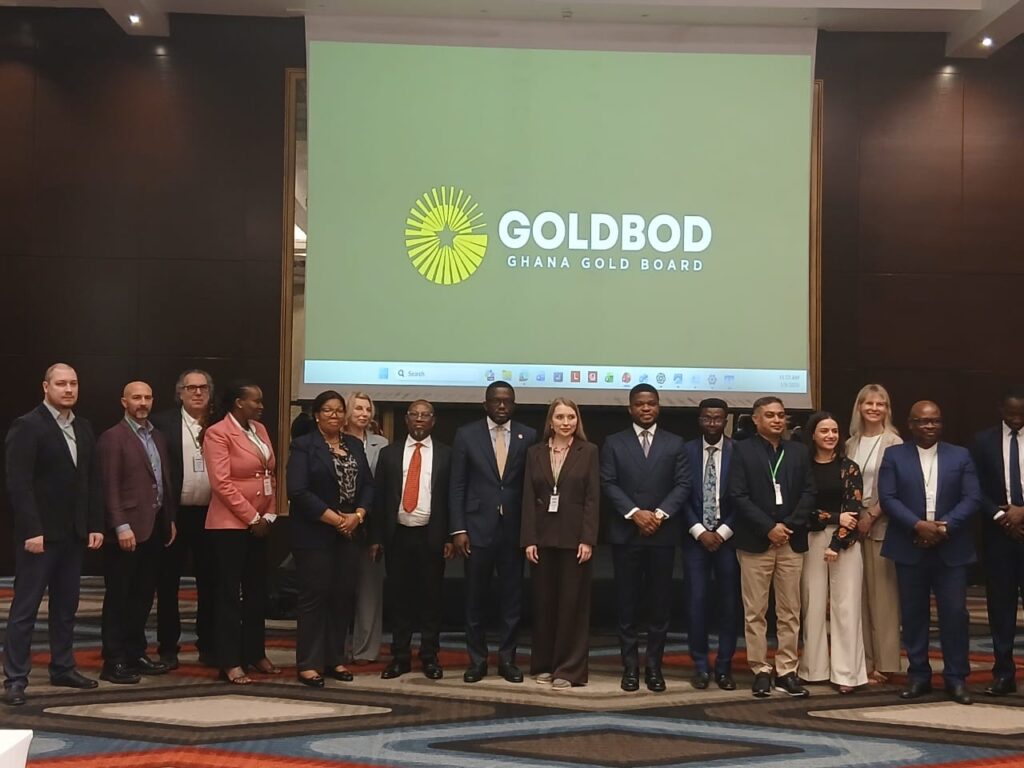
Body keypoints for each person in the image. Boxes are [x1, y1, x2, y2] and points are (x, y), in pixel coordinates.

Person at [3, 364, 104, 706]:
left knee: (66, 607)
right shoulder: (28, 425)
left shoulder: (83, 426)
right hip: (39, 537)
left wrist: (94, 524)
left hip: (73, 535)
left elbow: (90, 480)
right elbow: (19, 484)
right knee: (25, 609)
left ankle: (63, 667)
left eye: (73, 383)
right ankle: (16, 678)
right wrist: (32, 529)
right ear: (46, 387)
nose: (69, 389)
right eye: (61, 383)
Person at [878, 400, 980, 705]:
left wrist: (943, 527)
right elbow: (888, 497)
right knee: (913, 615)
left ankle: (956, 678)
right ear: (911, 424)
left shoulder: (960, 455)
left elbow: (972, 497)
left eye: (935, 421)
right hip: (910, 545)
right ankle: (919, 676)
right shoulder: (894, 455)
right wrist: (918, 526)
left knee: (955, 614)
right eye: (922, 421)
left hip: (952, 548)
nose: (929, 426)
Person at [600, 384, 690, 693]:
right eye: (640, 404)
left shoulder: (675, 443)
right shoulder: (614, 442)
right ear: (630, 409)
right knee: (626, 605)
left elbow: (683, 484)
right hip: (627, 534)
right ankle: (629, 667)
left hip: (662, 535)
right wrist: (635, 513)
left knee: (659, 606)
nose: (646, 408)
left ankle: (654, 667)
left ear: (659, 406)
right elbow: (608, 483)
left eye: (651, 403)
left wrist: (659, 515)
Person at [728, 396, 815, 699]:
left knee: (790, 610)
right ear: (756, 419)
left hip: (790, 540)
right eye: (770, 415)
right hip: (756, 541)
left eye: (780, 415)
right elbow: (737, 495)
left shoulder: (798, 451)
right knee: (755, 610)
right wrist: (768, 527)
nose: (777, 420)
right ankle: (760, 669)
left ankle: (787, 670)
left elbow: (808, 492)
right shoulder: (741, 450)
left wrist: (787, 526)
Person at [450, 381, 536, 683]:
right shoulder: (466, 435)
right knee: (475, 599)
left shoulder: (528, 435)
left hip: (513, 530)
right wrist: (458, 528)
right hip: (476, 530)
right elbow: (457, 484)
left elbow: (531, 486)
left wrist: (530, 531)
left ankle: (508, 660)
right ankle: (477, 660)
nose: (502, 406)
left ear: (514, 405)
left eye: (507, 401)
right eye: (496, 401)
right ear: (485, 404)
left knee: (512, 600)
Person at [286, 391, 373, 687]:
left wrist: (358, 515)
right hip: (315, 532)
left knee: (342, 596)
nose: (334, 416)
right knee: (315, 597)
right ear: (316, 415)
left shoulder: (354, 445)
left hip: (350, 531)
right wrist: (336, 520)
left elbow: (368, 486)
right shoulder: (304, 446)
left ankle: (334, 658)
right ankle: (309, 664)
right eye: (328, 410)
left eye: (338, 410)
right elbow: (298, 491)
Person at [97, 381, 178, 684]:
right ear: (124, 402)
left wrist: (169, 519)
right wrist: (120, 525)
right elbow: (109, 487)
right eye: (136, 398)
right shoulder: (113, 437)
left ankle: (135, 653)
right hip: (127, 531)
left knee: (143, 596)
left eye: (147, 397)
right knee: (119, 597)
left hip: (154, 526)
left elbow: (163, 481)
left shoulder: (157, 436)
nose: (142, 403)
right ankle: (113, 660)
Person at [203, 380, 280, 685]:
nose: (261, 406)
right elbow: (221, 483)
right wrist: (251, 517)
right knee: (229, 595)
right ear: (238, 403)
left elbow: (269, 473)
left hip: (260, 524)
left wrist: (269, 514)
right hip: (229, 526)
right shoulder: (218, 433)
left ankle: (255, 652)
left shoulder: (259, 429)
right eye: (255, 401)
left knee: (257, 592)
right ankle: (230, 661)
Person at [522, 398, 599, 689]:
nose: (566, 423)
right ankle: (544, 664)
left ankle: (569, 670)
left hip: (574, 540)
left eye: (571, 417)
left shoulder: (588, 451)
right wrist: (529, 539)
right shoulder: (535, 452)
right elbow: (528, 497)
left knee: (572, 605)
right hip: (542, 539)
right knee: (544, 604)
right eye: (560, 417)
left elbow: (592, 498)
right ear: (550, 422)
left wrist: (588, 539)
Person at [373, 400, 452, 680]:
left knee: (432, 599)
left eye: (425, 415)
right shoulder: (389, 454)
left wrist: (450, 536)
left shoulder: (446, 455)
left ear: (433, 420)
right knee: (400, 599)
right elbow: (379, 498)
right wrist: (377, 538)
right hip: (398, 535)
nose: (419, 419)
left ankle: (429, 656)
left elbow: (451, 498)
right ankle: (400, 657)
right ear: (406, 419)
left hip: (431, 534)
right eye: (414, 415)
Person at [151, 369, 216, 669]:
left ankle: (209, 643)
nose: (198, 393)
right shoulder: (162, 423)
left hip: (212, 514)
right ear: (180, 392)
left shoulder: (220, 422)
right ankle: (168, 647)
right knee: (168, 584)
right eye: (191, 388)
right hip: (174, 515)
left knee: (211, 582)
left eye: (203, 388)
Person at [798, 411, 867, 694]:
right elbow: (804, 510)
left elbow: (854, 510)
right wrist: (835, 518)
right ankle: (812, 670)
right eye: (824, 431)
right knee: (812, 605)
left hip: (846, 543)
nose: (830, 436)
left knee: (846, 608)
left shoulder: (849, 467)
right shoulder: (802, 467)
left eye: (834, 431)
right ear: (813, 435)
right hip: (812, 540)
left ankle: (847, 674)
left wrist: (836, 544)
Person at [846, 383, 903, 685]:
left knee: (883, 599)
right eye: (869, 403)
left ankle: (887, 662)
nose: (874, 409)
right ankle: (865, 661)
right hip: (852, 525)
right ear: (859, 407)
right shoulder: (849, 443)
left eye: (880, 404)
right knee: (859, 598)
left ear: (887, 409)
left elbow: (897, 488)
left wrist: (871, 515)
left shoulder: (894, 442)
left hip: (881, 525)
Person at [682, 398, 739, 691]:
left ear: (726, 421)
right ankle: (701, 666)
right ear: (699, 420)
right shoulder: (686, 451)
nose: (712, 423)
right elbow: (679, 493)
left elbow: (744, 495)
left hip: (729, 540)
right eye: (707, 418)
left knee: (729, 605)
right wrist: (699, 531)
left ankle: (724, 667)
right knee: (696, 603)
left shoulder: (739, 451)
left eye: (718, 419)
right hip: (695, 540)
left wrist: (723, 531)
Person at [971, 390, 1024, 697]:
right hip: (998, 535)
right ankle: (1003, 673)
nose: (1016, 419)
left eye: (1021, 414)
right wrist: (1001, 517)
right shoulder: (983, 441)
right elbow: (974, 487)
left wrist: (1022, 513)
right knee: (1000, 608)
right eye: (1011, 413)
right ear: (1000, 409)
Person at [345, 391, 389, 666]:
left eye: (367, 409)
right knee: (338, 591)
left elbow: (383, 489)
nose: (363, 413)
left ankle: (365, 651)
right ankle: (334, 649)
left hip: (371, 524)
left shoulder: (381, 444)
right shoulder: (333, 440)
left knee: (370, 592)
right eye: (358, 408)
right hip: (339, 522)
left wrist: (377, 533)